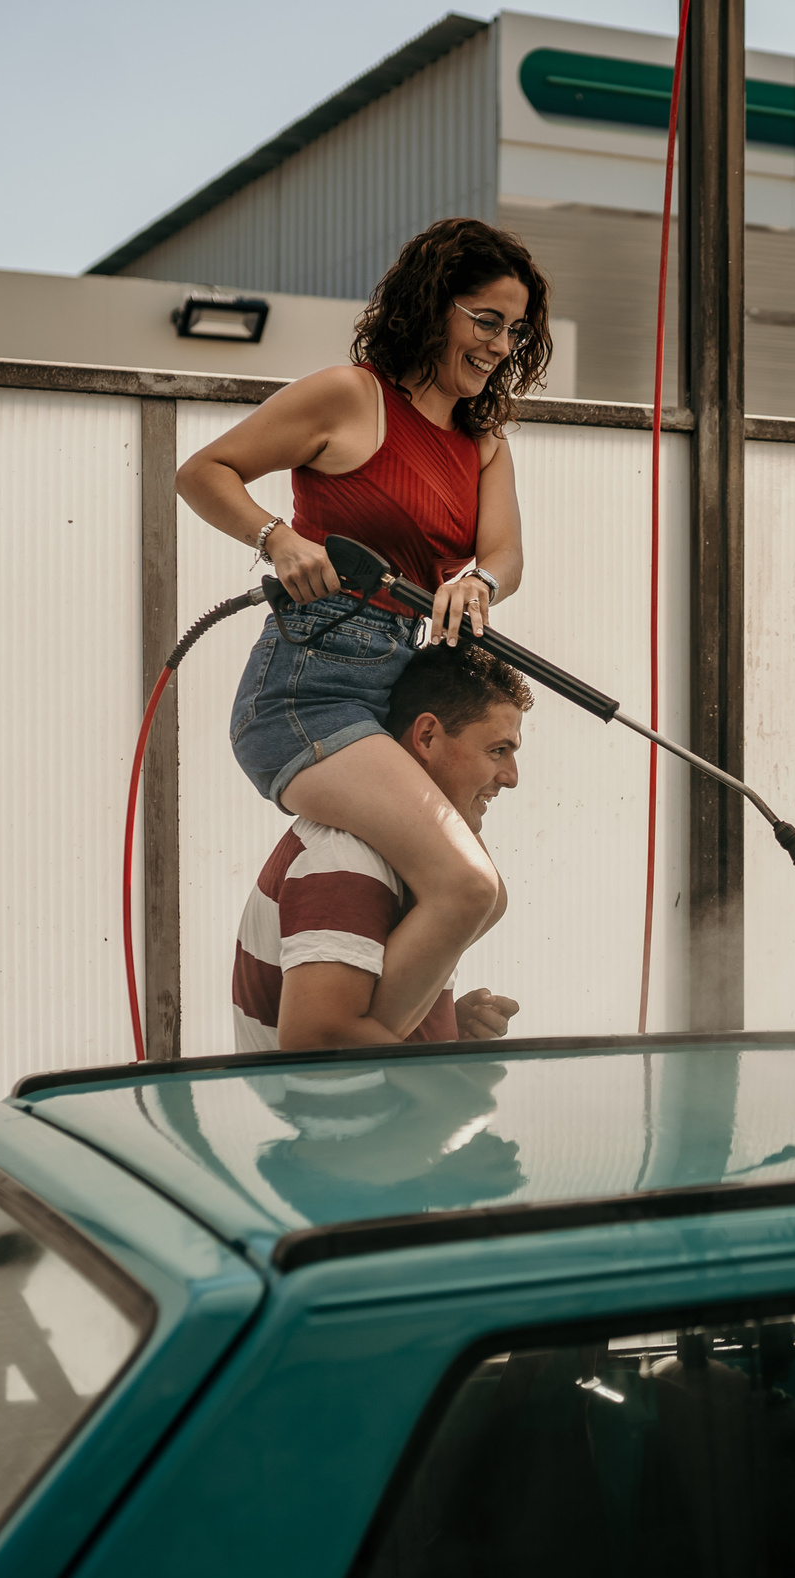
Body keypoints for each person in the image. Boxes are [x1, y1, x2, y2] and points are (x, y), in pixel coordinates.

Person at [179, 216, 550, 1043]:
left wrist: (478, 580)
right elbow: (201, 472)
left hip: (389, 680)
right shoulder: (351, 397)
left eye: (514, 329)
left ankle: (379, 1042)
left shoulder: (481, 442)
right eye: (484, 319)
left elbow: (506, 553)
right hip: (305, 687)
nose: (498, 345)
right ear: (431, 304)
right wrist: (277, 537)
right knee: (466, 886)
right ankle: (341, 1062)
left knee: (465, 892)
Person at [232, 644, 532, 1052]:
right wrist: (448, 1087)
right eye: (498, 750)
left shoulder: (401, 859)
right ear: (427, 736)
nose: (511, 777)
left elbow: (355, 1033)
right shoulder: (349, 855)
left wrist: (439, 1028)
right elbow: (319, 1041)